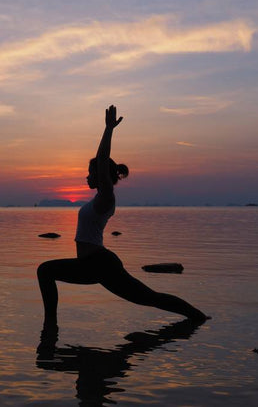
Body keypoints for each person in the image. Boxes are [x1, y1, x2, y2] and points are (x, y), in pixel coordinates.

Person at [37, 105, 208, 329]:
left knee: (149, 298)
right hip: (92, 264)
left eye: (91, 173)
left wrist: (108, 129)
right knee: (149, 297)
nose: (87, 176)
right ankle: (198, 317)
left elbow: (102, 158)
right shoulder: (97, 200)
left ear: (101, 175)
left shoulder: (106, 198)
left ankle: (198, 317)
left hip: (99, 264)